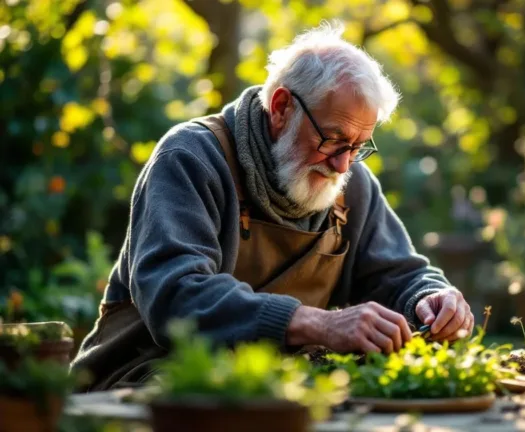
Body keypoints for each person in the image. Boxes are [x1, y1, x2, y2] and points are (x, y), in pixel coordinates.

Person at [70, 22, 473, 392]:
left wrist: (431, 297)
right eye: (333, 139)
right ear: (281, 108)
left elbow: (398, 273)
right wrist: (317, 323)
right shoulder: (190, 158)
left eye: (357, 146)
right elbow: (176, 297)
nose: (343, 164)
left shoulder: (350, 184)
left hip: (274, 383)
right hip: (147, 375)